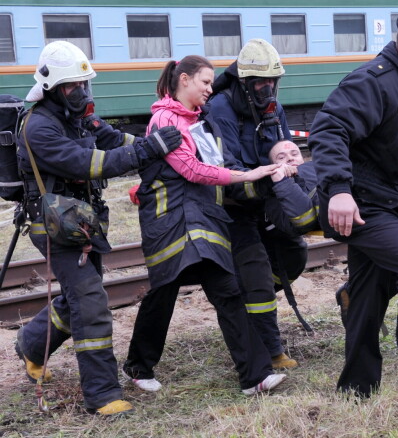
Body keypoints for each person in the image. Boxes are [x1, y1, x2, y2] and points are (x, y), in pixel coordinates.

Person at [14, 41, 183, 416]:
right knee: (90, 303)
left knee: (79, 296)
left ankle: (30, 344)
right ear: (52, 87)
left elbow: (111, 139)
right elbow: (87, 163)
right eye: (73, 86)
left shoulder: (75, 116)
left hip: (79, 223)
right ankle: (102, 394)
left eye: (84, 83)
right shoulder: (40, 126)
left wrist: (153, 145)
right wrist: (144, 152)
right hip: (56, 227)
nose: (82, 92)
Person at [308, 2, 398, 397]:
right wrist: (339, 190)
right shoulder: (373, 82)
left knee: (367, 294)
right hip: (362, 205)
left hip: (394, 205)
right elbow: (328, 129)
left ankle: (356, 388)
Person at [122, 55, 287, 396]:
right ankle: (138, 367)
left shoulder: (196, 120)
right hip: (170, 224)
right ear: (183, 80)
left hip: (197, 221)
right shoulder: (165, 121)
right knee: (163, 294)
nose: (211, 89)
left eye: (212, 83)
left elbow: (207, 163)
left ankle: (254, 376)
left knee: (227, 291)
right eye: (205, 82)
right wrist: (247, 174)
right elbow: (193, 170)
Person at [206, 39, 301, 369]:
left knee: (294, 255)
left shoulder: (273, 106)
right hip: (233, 206)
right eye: (261, 82)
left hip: (266, 198)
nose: (268, 89)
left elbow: (285, 147)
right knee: (256, 272)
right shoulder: (220, 109)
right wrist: (266, 182)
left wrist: (291, 166)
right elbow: (228, 169)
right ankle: (271, 350)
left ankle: (251, 304)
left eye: (273, 82)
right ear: (244, 83)